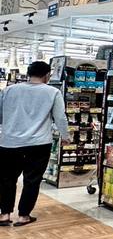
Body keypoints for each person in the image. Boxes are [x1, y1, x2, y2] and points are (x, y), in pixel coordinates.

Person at [0, 60, 68, 226]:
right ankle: (23, 216)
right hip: (39, 144)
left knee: (7, 179)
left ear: (28, 74)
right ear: (47, 75)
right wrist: (66, 136)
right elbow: (60, 117)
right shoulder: (53, 92)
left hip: (9, 142)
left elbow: (1, 115)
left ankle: (4, 215)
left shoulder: (9, 90)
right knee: (32, 180)